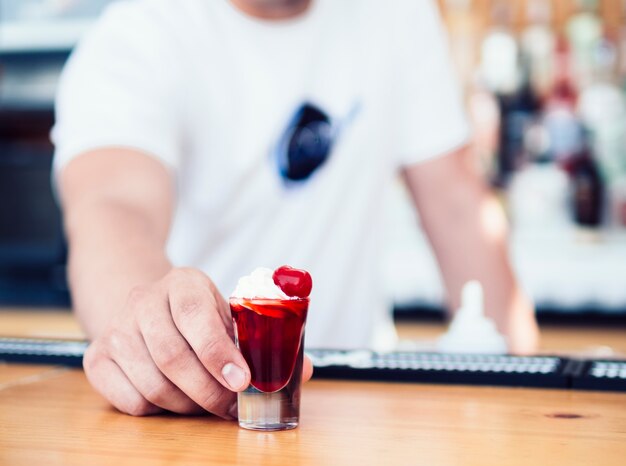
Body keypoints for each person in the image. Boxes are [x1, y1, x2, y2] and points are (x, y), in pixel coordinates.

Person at [52, 0, 539, 418]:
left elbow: (460, 210)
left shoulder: (397, 12)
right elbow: (112, 210)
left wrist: (531, 394)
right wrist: (151, 330)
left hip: (363, 413)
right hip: (205, 414)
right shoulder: (137, 38)